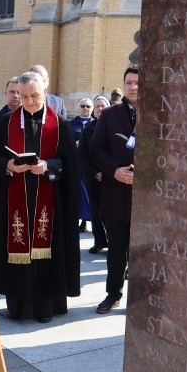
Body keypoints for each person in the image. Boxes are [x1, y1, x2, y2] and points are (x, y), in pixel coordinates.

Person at [0, 71, 81, 323]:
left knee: (48, 253)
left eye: (34, 96)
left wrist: (48, 166)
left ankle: (46, 307)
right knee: (17, 251)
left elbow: (70, 164)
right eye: (23, 96)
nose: (28, 101)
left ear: (45, 91)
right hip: (14, 200)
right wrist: (9, 166)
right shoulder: (5, 122)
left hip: (50, 201)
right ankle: (18, 307)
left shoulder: (59, 124)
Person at [90, 66, 137, 313]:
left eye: (138, 82)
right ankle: (113, 294)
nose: (133, 87)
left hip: (146, 197)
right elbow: (96, 149)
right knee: (117, 247)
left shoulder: (160, 111)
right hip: (116, 194)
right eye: (129, 82)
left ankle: (141, 301)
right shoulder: (109, 115)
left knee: (143, 252)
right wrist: (115, 171)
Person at [78, 95, 109, 254]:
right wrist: (94, 173)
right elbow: (82, 154)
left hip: (111, 178)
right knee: (96, 213)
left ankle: (114, 243)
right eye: (97, 106)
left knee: (110, 214)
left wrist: (108, 172)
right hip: (92, 177)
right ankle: (99, 242)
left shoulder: (113, 127)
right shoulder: (88, 129)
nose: (100, 109)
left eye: (103, 106)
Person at [71, 97, 94, 232]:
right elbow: (65, 140)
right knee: (79, 193)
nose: (85, 108)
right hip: (76, 163)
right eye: (83, 106)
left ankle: (91, 220)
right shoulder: (72, 124)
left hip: (91, 164)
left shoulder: (97, 123)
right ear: (78, 108)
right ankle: (81, 221)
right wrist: (74, 144)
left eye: (88, 106)